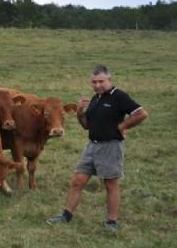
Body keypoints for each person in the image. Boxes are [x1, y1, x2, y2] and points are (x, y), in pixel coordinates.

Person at [46, 65, 148, 231]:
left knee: (110, 184)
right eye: (94, 82)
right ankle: (66, 216)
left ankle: (112, 222)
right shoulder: (96, 98)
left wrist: (123, 126)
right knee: (77, 181)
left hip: (111, 146)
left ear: (109, 80)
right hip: (92, 147)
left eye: (101, 81)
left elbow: (141, 113)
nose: (98, 85)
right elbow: (86, 126)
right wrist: (80, 112)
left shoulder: (119, 96)